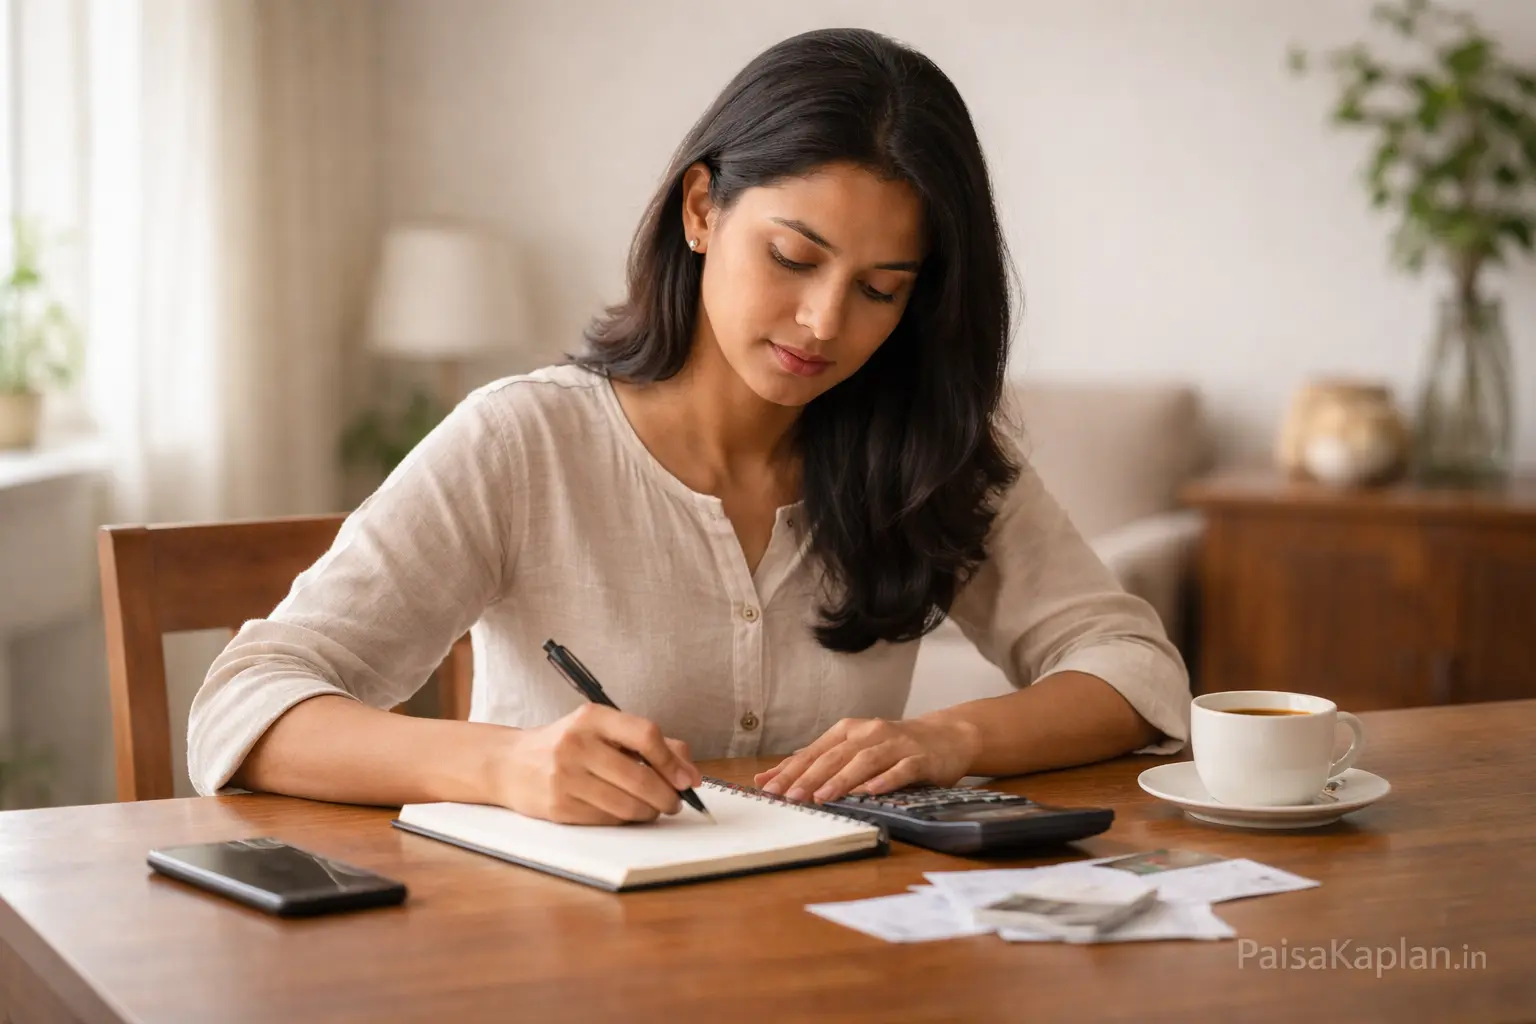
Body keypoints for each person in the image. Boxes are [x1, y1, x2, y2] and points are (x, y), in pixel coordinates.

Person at [188, 27, 1190, 825]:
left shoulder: (927, 452)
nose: (824, 323)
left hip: (838, 958)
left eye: (881, 290)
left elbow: (1137, 671)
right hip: (548, 956)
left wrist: (950, 740)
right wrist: (506, 764)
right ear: (702, 209)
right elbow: (244, 701)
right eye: (794, 257)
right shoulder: (524, 443)